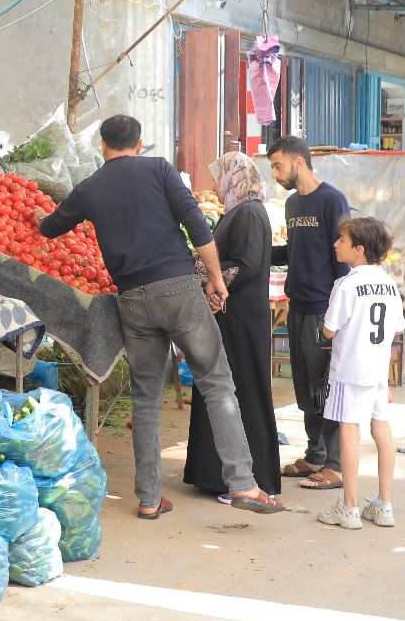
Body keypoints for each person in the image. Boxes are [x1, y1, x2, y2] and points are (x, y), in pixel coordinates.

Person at [37, 115, 284, 517]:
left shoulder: (90, 187)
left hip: (133, 300)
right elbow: (197, 227)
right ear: (139, 144)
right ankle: (242, 484)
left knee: (146, 399)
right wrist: (216, 280)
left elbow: (52, 228)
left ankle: (149, 500)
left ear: (103, 145)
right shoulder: (159, 169)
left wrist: (37, 221)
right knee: (218, 383)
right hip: (179, 291)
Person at [183, 151, 281, 499]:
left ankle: (243, 477)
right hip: (230, 312)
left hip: (239, 318)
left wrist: (216, 285)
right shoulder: (239, 211)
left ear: (235, 178)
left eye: (220, 176)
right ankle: (217, 474)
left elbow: (246, 264)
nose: (215, 184)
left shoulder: (250, 213)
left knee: (238, 392)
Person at [267, 136, 352, 492]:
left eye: (278, 165)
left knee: (324, 387)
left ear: (298, 162)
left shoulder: (332, 200)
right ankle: (314, 454)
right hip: (297, 305)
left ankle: (334, 464)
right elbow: (295, 250)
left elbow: (343, 257)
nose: (275, 173)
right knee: (304, 386)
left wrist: (339, 313)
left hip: (324, 310)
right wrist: (259, 251)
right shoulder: (290, 204)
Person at [317, 216, 405, 531]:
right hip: (378, 372)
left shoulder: (346, 284)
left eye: (342, 239)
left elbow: (328, 330)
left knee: (349, 434)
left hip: (350, 370)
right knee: (382, 432)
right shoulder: (389, 283)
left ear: (359, 248)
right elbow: (396, 328)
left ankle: (350, 508)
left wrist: (326, 332)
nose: (336, 244)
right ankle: (384, 504)